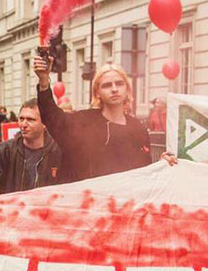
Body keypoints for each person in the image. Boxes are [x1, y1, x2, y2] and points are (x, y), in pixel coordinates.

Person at [34, 55, 151, 183]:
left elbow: (145, 172)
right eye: (107, 85)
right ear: (97, 93)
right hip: (86, 194)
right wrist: (44, 82)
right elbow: (51, 117)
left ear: (127, 89)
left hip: (122, 193)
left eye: (119, 84)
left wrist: (161, 166)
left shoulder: (138, 129)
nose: (114, 89)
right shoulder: (82, 122)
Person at [0, 99, 62, 194]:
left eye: (30, 120)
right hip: (12, 204)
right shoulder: (4, 151)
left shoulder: (58, 152)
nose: (24, 124)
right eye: (21, 119)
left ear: (45, 123)